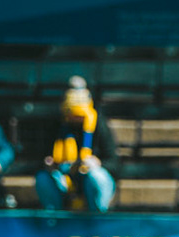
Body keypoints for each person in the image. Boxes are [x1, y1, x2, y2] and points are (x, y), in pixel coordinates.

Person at [34, 77, 118, 212]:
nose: (76, 118)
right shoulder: (58, 126)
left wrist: (98, 163)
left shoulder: (98, 125)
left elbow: (115, 163)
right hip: (65, 180)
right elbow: (41, 160)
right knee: (43, 178)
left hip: (89, 181)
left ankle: (97, 218)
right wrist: (50, 164)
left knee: (97, 176)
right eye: (73, 114)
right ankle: (54, 219)